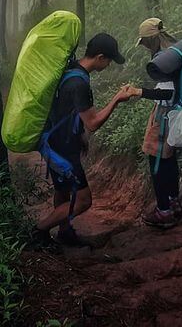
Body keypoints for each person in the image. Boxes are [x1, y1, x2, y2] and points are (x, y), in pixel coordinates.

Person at [32, 32, 134, 247]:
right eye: (108, 61)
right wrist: (117, 99)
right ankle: (39, 231)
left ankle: (65, 232)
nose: (108, 65)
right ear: (99, 57)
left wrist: (79, 136)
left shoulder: (69, 69)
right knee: (83, 200)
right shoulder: (79, 84)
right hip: (63, 149)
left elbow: (66, 111)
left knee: (63, 190)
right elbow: (93, 123)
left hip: (53, 142)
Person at [128, 17, 182, 230]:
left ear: (150, 40)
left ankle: (164, 211)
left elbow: (166, 92)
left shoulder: (162, 57)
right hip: (175, 112)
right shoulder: (174, 51)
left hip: (164, 114)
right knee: (169, 159)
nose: (143, 46)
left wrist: (138, 92)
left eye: (143, 41)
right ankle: (174, 203)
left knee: (156, 161)